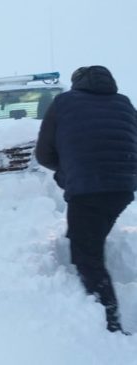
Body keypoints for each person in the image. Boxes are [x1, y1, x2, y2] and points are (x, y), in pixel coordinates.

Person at [35, 65, 137, 334]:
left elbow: (43, 155)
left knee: (87, 256)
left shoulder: (64, 102)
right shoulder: (125, 104)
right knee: (89, 237)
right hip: (122, 189)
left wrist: (68, 172)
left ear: (76, 83)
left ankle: (108, 324)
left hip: (87, 189)